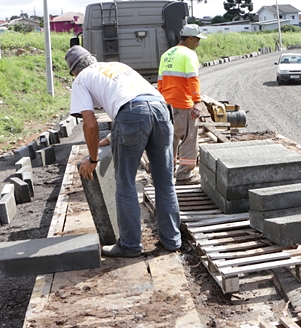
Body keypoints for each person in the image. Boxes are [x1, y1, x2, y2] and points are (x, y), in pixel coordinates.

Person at [65, 45, 181, 257]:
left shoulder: (81, 79)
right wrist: (112, 137)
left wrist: (92, 158)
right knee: (165, 182)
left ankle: (130, 245)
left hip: (133, 114)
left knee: (125, 183)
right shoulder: (117, 66)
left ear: (74, 70)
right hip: (162, 111)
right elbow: (137, 102)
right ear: (93, 59)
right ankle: (172, 240)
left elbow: (89, 124)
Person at [157, 24, 207, 185]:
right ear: (191, 38)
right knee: (188, 139)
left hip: (167, 104)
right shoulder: (189, 54)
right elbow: (193, 79)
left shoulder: (167, 54)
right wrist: (197, 101)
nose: (199, 43)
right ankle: (184, 175)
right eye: (198, 39)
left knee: (169, 141)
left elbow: (160, 82)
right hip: (183, 105)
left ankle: (166, 173)